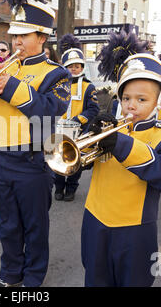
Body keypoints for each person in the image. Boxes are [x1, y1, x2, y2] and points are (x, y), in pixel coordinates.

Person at [81, 31, 161, 287]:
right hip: (95, 220)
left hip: (135, 230)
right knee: (95, 279)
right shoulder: (111, 127)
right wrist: (88, 135)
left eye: (142, 99)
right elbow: (74, 162)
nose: (131, 106)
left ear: (160, 102)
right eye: (126, 98)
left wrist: (122, 145)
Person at [0, 0, 71, 287]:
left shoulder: (56, 74)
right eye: (14, 34)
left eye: (25, 35)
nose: (16, 41)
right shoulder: (4, 68)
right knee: (7, 224)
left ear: (43, 37)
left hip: (31, 160)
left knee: (34, 226)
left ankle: (33, 278)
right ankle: (10, 273)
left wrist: (8, 86)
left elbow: (49, 111)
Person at [54, 34, 99, 201]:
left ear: (82, 67)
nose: (74, 69)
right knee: (57, 159)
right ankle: (58, 187)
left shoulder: (89, 86)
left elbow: (93, 109)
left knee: (76, 162)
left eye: (77, 66)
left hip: (79, 131)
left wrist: (78, 121)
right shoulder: (58, 86)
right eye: (70, 66)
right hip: (59, 130)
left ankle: (71, 188)